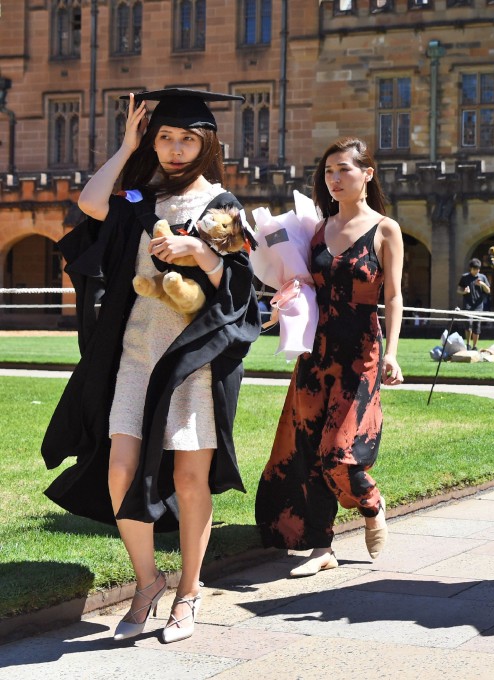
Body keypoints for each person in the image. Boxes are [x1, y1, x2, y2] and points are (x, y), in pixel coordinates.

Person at [41, 89, 261, 643]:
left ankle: (189, 593)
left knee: (190, 479)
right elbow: (91, 205)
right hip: (136, 354)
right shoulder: (140, 199)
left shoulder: (223, 207)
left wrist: (202, 255)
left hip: (193, 360)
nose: (176, 149)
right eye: (165, 137)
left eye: (187, 138)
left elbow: (240, 293)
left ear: (207, 143)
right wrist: (125, 146)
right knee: (120, 470)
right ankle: (147, 582)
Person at [256, 138, 404, 577]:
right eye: (328, 172)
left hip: (361, 352)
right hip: (316, 353)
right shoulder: (316, 229)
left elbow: (393, 296)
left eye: (343, 170)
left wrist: (393, 352)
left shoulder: (385, 229)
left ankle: (372, 503)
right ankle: (321, 546)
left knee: (338, 451)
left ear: (367, 174)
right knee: (308, 448)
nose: (334, 179)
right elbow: (303, 283)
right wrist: (284, 301)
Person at [458, 257, 491, 350]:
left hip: (479, 306)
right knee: (468, 324)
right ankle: (468, 344)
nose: (477, 271)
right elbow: (458, 289)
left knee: (477, 326)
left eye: (478, 269)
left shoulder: (482, 277)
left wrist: (482, 284)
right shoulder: (465, 277)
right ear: (470, 268)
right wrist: (464, 291)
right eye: (475, 269)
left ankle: (475, 346)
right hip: (468, 305)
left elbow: (488, 291)